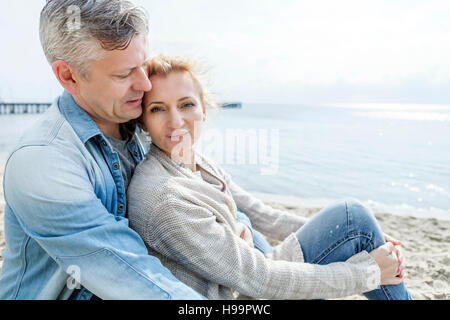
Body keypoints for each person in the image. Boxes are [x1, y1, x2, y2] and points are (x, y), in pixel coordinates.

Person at [126, 54, 413, 300]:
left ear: (203, 108)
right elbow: (260, 278)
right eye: (158, 109)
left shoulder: (195, 162)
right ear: (144, 121)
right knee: (352, 214)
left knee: (253, 218)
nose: (176, 121)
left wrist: (359, 237)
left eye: (186, 104)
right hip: (237, 293)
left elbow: (265, 215)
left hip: (242, 277)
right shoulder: (164, 197)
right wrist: (370, 272)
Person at [0, 0, 219, 300]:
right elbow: (129, 274)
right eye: (123, 74)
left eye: (143, 63)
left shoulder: (142, 118)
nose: (144, 83)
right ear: (68, 76)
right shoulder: (41, 160)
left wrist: (238, 226)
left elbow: (206, 183)